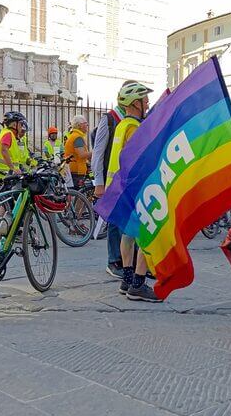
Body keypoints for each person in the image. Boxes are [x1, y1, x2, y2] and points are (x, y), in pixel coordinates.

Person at [107, 81, 161, 303]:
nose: (147, 103)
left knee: (128, 235)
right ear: (135, 102)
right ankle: (138, 284)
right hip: (136, 187)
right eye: (145, 99)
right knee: (146, 235)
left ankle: (126, 280)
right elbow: (140, 159)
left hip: (121, 188)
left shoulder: (122, 125)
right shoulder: (135, 128)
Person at [92, 83, 128, 279]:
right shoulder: (109, 119)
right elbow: (98, 152)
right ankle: (114, 260)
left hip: (129, 177)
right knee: (115, 221)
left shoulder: (135, 119)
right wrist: (99, 181)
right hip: (112, 178)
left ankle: (126, 260)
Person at [0, 111, 26, 178]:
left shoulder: (7, 133)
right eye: (21, 124)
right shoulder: (8, 134)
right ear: (14, 124)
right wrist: (13, 168)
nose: (22, 127)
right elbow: (4, 150)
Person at [64, 115, 90, 188]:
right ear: (80, 125)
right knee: (79, 195)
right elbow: (82, 154)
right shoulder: (78, 137)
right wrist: (95, 152)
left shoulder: (73, 135)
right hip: (77, 170)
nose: (87, 125)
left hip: (73, 168)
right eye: (85, 123)